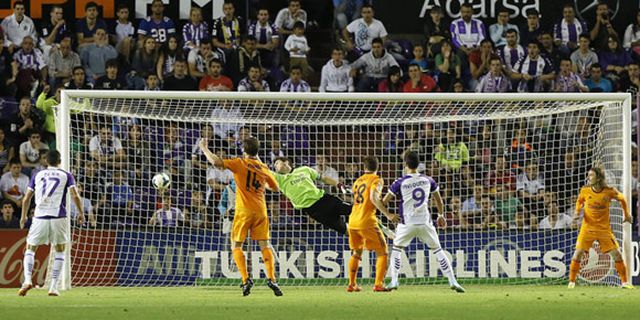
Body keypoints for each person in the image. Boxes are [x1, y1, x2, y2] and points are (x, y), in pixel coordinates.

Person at [198, 136, 282, 296]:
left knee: (236, 246)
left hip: (243, 211)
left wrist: (204, 148)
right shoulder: (264, 167)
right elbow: (276, 188)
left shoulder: (239, 163)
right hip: (261, 211)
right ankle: (272, 279)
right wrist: (261, 180)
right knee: (265, 245)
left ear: (244, 150)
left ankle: (245, 279)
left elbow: (216, 163)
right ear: (258, 151)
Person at [383, 151, 464, 292]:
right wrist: (440, 215)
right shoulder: (428, 180)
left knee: (396, 250)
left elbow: (384, 201)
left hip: (406, 223)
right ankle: (453, 281)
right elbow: (439, 199)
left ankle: (394, 281)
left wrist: (386, 211)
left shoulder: (399, 182)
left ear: (405, 164)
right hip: (425, 222)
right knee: (438, 250)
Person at [18, 150, 85, 296]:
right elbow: (75, 195)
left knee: (30, 248)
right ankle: (53, 287)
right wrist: (81, 213)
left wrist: (23, 217)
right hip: (58, 216)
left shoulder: (37, 175)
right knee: (60, 249)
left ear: (46, 161)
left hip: (40, 217)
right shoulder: (66, 175)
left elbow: (26, 198)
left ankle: (28, 280)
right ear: (59, 161)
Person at [568, 167, 634, 289]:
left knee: (617, 255)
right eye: (588, 175)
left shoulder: (609, 191)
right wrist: (577, 212)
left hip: (604, 230)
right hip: (587, 228)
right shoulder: (585, 190)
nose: (588, 177)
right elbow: (579, 201)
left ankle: (625, 283)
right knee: (577, 254)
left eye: (591, 175)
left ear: (598, 178)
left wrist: (627, 214)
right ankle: (571, 282)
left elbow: (622, 199)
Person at [346, 156, 398, 292]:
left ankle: (352, 284)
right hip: (367, 221)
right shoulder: (377, 179)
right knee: (383, 252)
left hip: (352, 221)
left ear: (364, 168)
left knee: (356, 252)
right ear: (377, 167)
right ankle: (378, 285)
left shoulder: (357, 181)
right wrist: (388, 214)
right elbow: (373, 197)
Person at [272, 157, 349, 234]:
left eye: (277, 163)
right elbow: (262, 170)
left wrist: (337, 184)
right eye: (274, 166)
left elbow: (323, 178)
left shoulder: (304, 169)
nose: (275, 167)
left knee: (353, 210)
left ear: (286, 162)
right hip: (313, 211)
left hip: (324, 199)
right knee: (345, 230)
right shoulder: (279, 179)